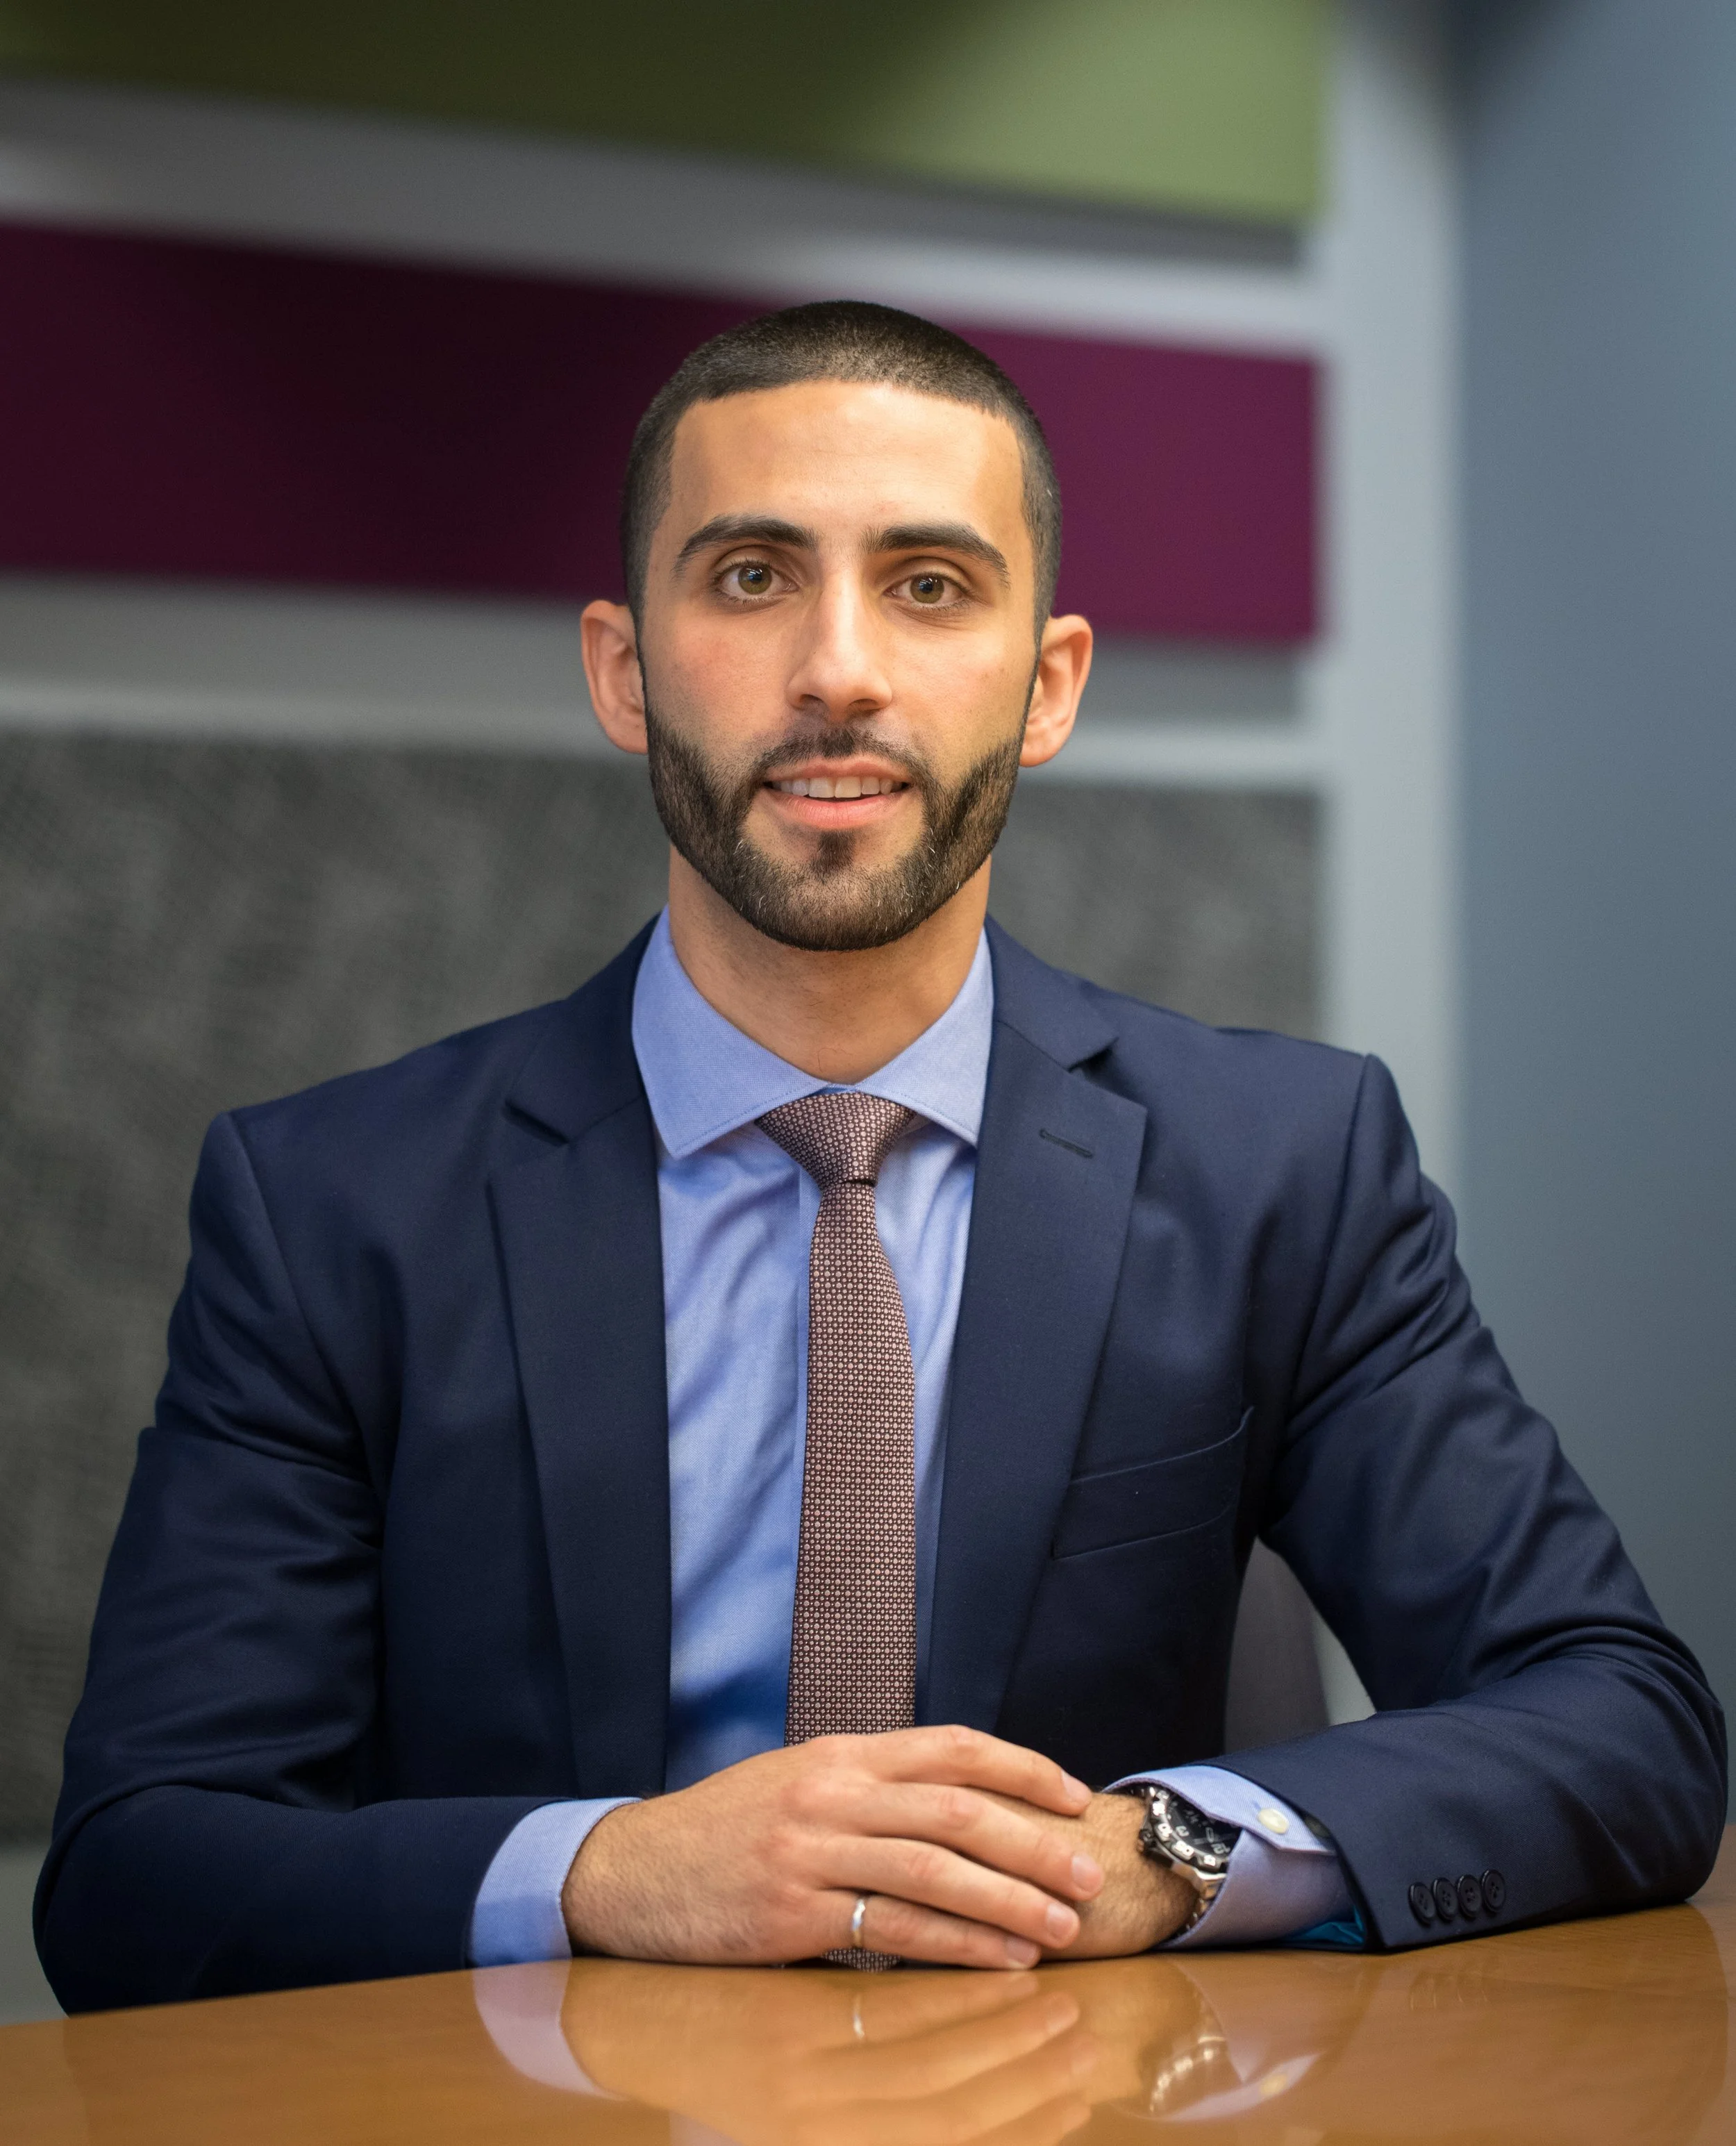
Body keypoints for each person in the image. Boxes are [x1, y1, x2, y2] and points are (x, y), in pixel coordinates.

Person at [37, 303, 1724, 2012]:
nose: (838, 668)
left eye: (927, 584)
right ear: (624, 670)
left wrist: (1160, 1853)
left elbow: (1618, 1720)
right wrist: (619, 1869)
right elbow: (142, 1868)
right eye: (752, 576)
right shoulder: (332, 1210)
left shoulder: (1281, 1168)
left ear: (1045, 682)